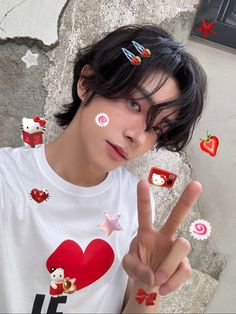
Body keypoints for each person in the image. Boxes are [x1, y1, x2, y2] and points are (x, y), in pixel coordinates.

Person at [0, 24, 206, 313]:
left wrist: (148, 287)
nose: (139, 136)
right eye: (134, 104)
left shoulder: (133, 205)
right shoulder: (7, 179)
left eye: (157, 128)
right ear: (87, 83)